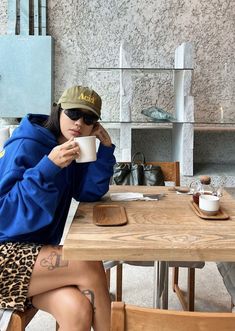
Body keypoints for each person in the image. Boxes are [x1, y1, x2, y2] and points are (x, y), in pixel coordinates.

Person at [0, 85, 116, 331]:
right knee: (88, 263)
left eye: (89, 118)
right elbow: (4, 216)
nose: (79, 122)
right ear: (58, 110)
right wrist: (47, 167)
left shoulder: (73, 146)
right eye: (73, 113)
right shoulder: (25, 145)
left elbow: (88, 193)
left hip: (35, 258)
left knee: (78, 310)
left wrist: (105, 151)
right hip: (5, 258)